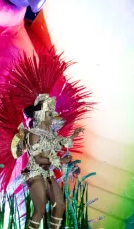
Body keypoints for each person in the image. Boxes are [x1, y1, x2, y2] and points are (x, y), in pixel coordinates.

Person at [21, 94, 83, 229]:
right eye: (49, 114)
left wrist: (74, 135)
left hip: (47, 174)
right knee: (40, 210)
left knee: (60, 206)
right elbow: (38, 159)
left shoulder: (50, 135)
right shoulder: (33, 134)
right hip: (35, 173)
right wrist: (60, 160)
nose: (53, 116)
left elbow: (59, 145)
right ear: (40, 116)